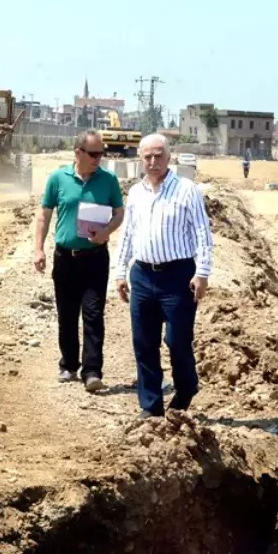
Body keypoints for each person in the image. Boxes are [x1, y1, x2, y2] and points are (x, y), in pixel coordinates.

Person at [116, 133, 214, 418]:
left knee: (177, 340)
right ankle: (151, 406)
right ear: (140, 159)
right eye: (147, 156)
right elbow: (128, 235)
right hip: (143, 276)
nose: (153, 161)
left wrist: (203, 273)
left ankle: (186, 387)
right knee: (144, 343)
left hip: (178, 277)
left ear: (169, 157)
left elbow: (202, 234)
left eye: (158, 155)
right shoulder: (135, 193)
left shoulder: (186, 190)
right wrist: (121, 272)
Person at [34, 130, 125, 392]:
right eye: (94, 154)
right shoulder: (58, 178)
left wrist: (107, 231)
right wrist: (38, 249)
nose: (99, 158)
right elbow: (44, 215)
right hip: (65, 258)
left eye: (101, 154)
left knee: (94, 314)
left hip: (95, 259)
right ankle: (69, 365)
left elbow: (119, 213)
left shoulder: (108, 181)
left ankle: (92, 371)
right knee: (67, 314)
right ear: (78, 152)